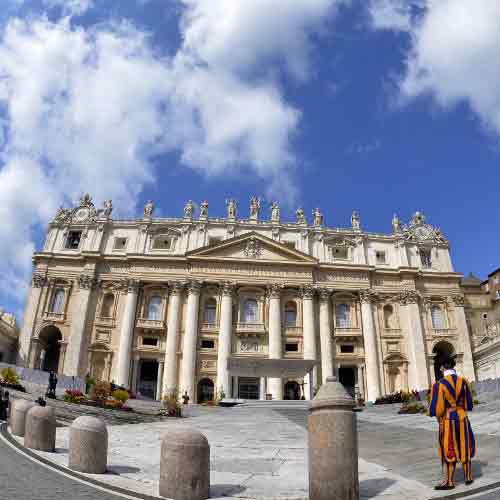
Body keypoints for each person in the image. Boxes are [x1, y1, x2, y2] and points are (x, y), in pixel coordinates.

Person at [429, 355, 475, 490]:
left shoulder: (439, 384)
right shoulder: (463, 381)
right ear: (454, 366)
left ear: (443, 368)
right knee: (465, 444)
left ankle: (449, 481)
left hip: (448, 420)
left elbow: (437, 409)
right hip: (463, 417)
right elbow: (469, 404)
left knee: (449, 447)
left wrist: (439, 419)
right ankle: (468, 477)